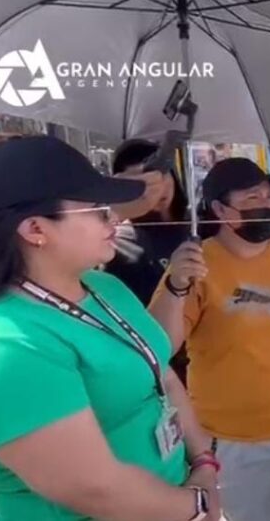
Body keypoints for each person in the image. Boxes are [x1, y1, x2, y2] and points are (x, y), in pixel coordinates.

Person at [0, 136, 218, 521]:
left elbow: (158, 368)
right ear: (35, 229)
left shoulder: (103, 287)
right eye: (97, 210)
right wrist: (197, 508)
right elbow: (96, 490)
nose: (115, 218)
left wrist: (203, 463)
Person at [149, 157, 270, 521]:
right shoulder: (194, 265)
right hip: (232, 440)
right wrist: (177, 284)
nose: (268, 205)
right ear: (221, 209)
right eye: (253, 197)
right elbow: (160, 345)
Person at [104, 138, 192, 383]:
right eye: (141, 182)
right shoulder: (117, 243)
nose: (156, 189)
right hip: (165, 370)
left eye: (159, 176)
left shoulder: (200, 226)